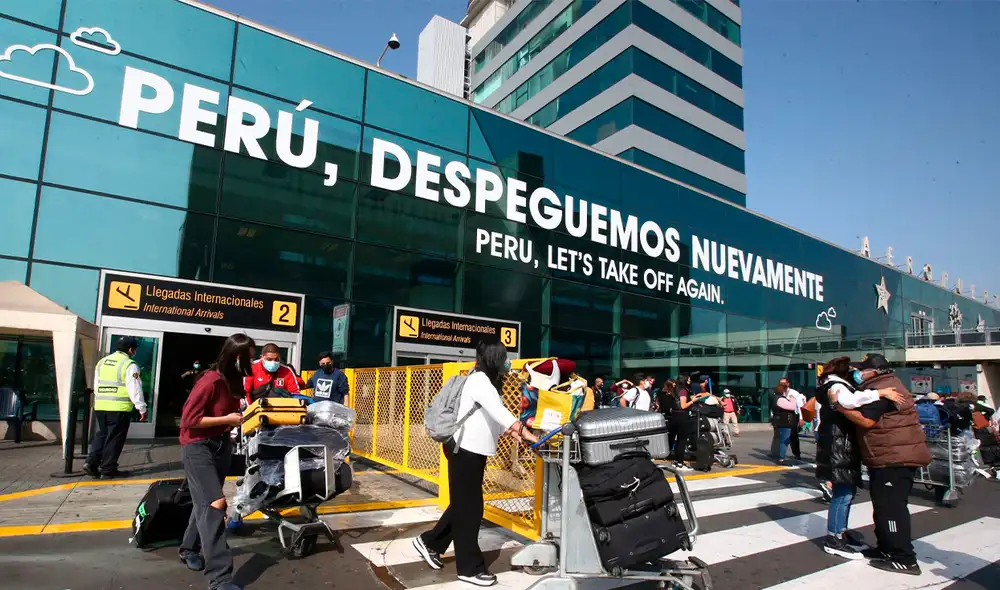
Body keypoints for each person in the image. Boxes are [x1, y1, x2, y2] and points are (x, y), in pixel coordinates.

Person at [413, 341, 537, 587]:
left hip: (472, 451)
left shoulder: (484, 381)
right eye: (503, 358)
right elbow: (499, 412)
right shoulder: (480, 380)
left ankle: (430, 542)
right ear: (493, 359)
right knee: (470, 510)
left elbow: (492, 415)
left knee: (464, 504)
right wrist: (523, 430)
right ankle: (469, 569)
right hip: (465, 450)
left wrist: (513, 433)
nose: (507, 363)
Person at [837, 353, 931, 575]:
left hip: (894, 458)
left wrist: (841, 407)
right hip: (887, 456)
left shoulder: (884, 389)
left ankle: (903, 558)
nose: (857, 373)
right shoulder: (883, 386)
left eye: (862, 369)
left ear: (875, 371)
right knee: (882, 507)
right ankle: (886, 549)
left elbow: (866, 420)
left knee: (891, 508)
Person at [177, 334, 254, 590]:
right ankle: (220, 579)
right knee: (215, 504)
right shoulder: (210, 381)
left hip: (220, 447)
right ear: (238, 356)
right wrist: (227, 420)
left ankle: (189, 549)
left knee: (204, 504)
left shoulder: (232, 382)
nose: (252, 361)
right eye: (250, 356)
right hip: (198, 448)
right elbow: (189, 420)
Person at [814, 357, 904, 560]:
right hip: (839, 447)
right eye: (854, 370)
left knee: (846, 492)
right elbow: (849, 402)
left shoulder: (834, 384)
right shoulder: (836, 386)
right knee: (842, 494)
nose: (858, 373)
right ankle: (834, 538)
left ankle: (841, 533)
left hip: (839, 445)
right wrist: (881, 392)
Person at [84, 336, 146, 479]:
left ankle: (91, 462)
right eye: (134, 350)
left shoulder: (102, 362)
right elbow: (135, 389)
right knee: (115, 438)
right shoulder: (129, 364)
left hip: (100, 406)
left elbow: (96, 384)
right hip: (119, 408)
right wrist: (141, 408)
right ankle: (108, 469)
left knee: (102, 434)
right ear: (131, 350)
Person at [671, 374, 706, 471]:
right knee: (682, 440)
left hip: (675, 416)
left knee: (678, 440)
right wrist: (693, 401)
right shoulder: (683, 390)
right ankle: (680, 463)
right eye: (689, 379)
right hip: (682, 416)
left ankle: (676, 460)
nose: (690, 381)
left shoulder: (676, 389)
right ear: (685, 380)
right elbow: (683, 405)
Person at [770, 380, 800, 464]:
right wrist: (793, 399)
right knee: (784, 440)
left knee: (783, 439)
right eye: (785, 389)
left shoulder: (778, 398)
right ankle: (781, 457)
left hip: (783, 422)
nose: (787, 390)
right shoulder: (780, 399)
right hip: (784, 422)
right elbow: (792, 407)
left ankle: (780, 456)